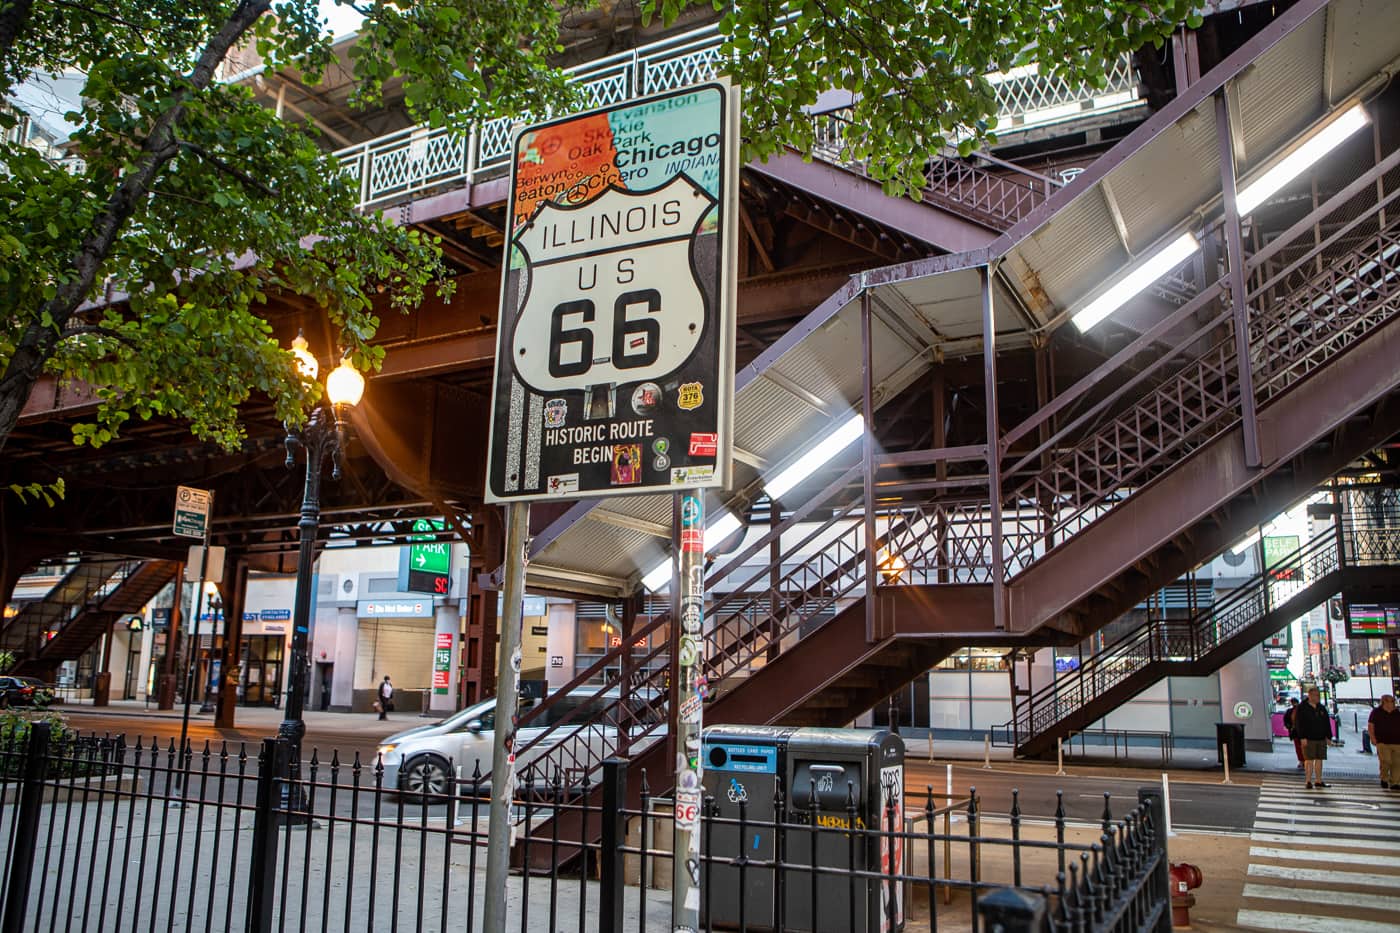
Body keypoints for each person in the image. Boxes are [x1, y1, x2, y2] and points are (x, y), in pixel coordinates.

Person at [1296, 687, 1332, 789]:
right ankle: (1308, 780)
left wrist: (1328, 736)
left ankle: (1318, 780)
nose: (1317, 697)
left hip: (1320, 737)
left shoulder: (1321, 708)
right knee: (1309, 759)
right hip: (1308, 738)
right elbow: (1299, 723)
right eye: (1316, 695)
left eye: (1318, 695)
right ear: (1310, 695)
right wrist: (1302, 737)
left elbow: (1326, 722)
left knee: (1320, 759)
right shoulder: (1302, 708)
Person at [1367, 694, 1400, 789]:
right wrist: (1372, 738)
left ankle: (1395, 782)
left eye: (1393, 701)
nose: (1392, 703)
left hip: (1397, 742)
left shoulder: (1397, 713)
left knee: (1397, 763)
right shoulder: (1376, 712)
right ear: (1384, 702)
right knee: (1386, 761)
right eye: (1390, 701)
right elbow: (1371, 725)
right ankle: (1384, 778)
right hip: (1382, 741)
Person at [1283, 697, 1304, 771]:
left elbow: (1286, 720)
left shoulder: (1292, 711)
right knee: (1299, 747)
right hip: (1296, 732)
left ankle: (1302, 761)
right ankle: (1302, 761)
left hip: (1298, 732)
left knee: (1300, 747)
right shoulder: (1292, 711)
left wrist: (1289, 727)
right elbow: (1286, 720)